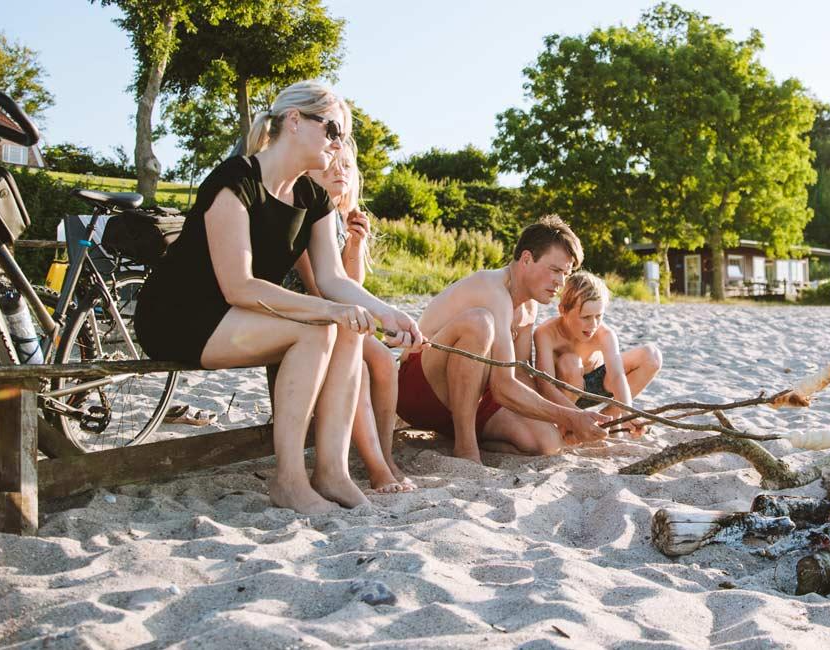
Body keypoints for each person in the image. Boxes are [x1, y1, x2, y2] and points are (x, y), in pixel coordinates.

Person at [134, 80, 423, 515]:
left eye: (342, 136)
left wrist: (387, 312)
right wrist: (331, 311)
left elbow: (331, 278)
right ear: (294, 122)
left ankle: (332, 472)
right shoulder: (236, 180)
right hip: (181, 316)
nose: (339, 144)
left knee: (342, 327)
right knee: (319, 330)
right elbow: (240, 285)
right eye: (332, 131)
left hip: (237, 317)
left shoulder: (312, 198)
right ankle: (289, 479)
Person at [395, 216, 610, 463]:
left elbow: (519, 375)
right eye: (555, 270)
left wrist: (568, 419)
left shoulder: (529, 307)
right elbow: (503, 386)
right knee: (479, 323)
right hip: (421, 390)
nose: (561, 282)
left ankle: (460, 436)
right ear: (527, 259)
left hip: (470, 397)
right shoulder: (491, 288)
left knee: (547, 443)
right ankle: (466, 447)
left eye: (566, 273)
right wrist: (570, 418)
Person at [294, 146, 414, 494]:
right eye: (330, 164)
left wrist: (355, 246)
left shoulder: (337, 217)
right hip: (308, 311)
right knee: (360, 368)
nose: (339, 171)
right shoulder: (304, 215)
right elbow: (318, 289)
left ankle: (385, 457)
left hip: (337, 313)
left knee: (384, 362)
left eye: (347, 165)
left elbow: (350, 285)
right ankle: (376, 467)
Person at [533, 272, 662, 436]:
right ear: (563, 310)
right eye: (586, 317)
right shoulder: (545, 333)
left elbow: (616, 376)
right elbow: (545, 385)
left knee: (652, 356)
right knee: (570, 362)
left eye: (599, 316)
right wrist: (577, 417)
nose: (593, 324)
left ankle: (611, 418)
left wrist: (627, 413)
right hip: (564, 396)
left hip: (596, 387)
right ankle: (568, 426)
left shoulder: (604, 334)